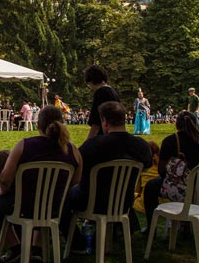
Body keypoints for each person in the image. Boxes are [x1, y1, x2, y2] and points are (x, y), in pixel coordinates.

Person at [0, 105, 82, 263]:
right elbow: (75, 181)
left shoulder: (24, 145)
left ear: (38, 124)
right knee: (48, 200)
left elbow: (5, 180)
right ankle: (37, 247)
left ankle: (15, 246)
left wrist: (1, 191)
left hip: (23, 207)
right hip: (55, 207)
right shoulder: (72, 150)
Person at [64, 101, 153, 251]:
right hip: (123, 201)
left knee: (63, 197)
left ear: (104, 121)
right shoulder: (140, 145)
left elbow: (76, 164)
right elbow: (147, 165)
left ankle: (76, 243)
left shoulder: (94, 145)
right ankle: (119, 232)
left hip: (92, 201)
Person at [142, 110, 199, 233]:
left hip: (183, 189)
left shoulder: (171, 141)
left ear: (177, 124)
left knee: (150, 187)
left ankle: (151, 228)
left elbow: (161, 171)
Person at [84, 64, 120, 140]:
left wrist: (87, 143)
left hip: (103, 137)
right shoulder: (113, 92)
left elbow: (96, 122)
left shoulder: (100, 93)